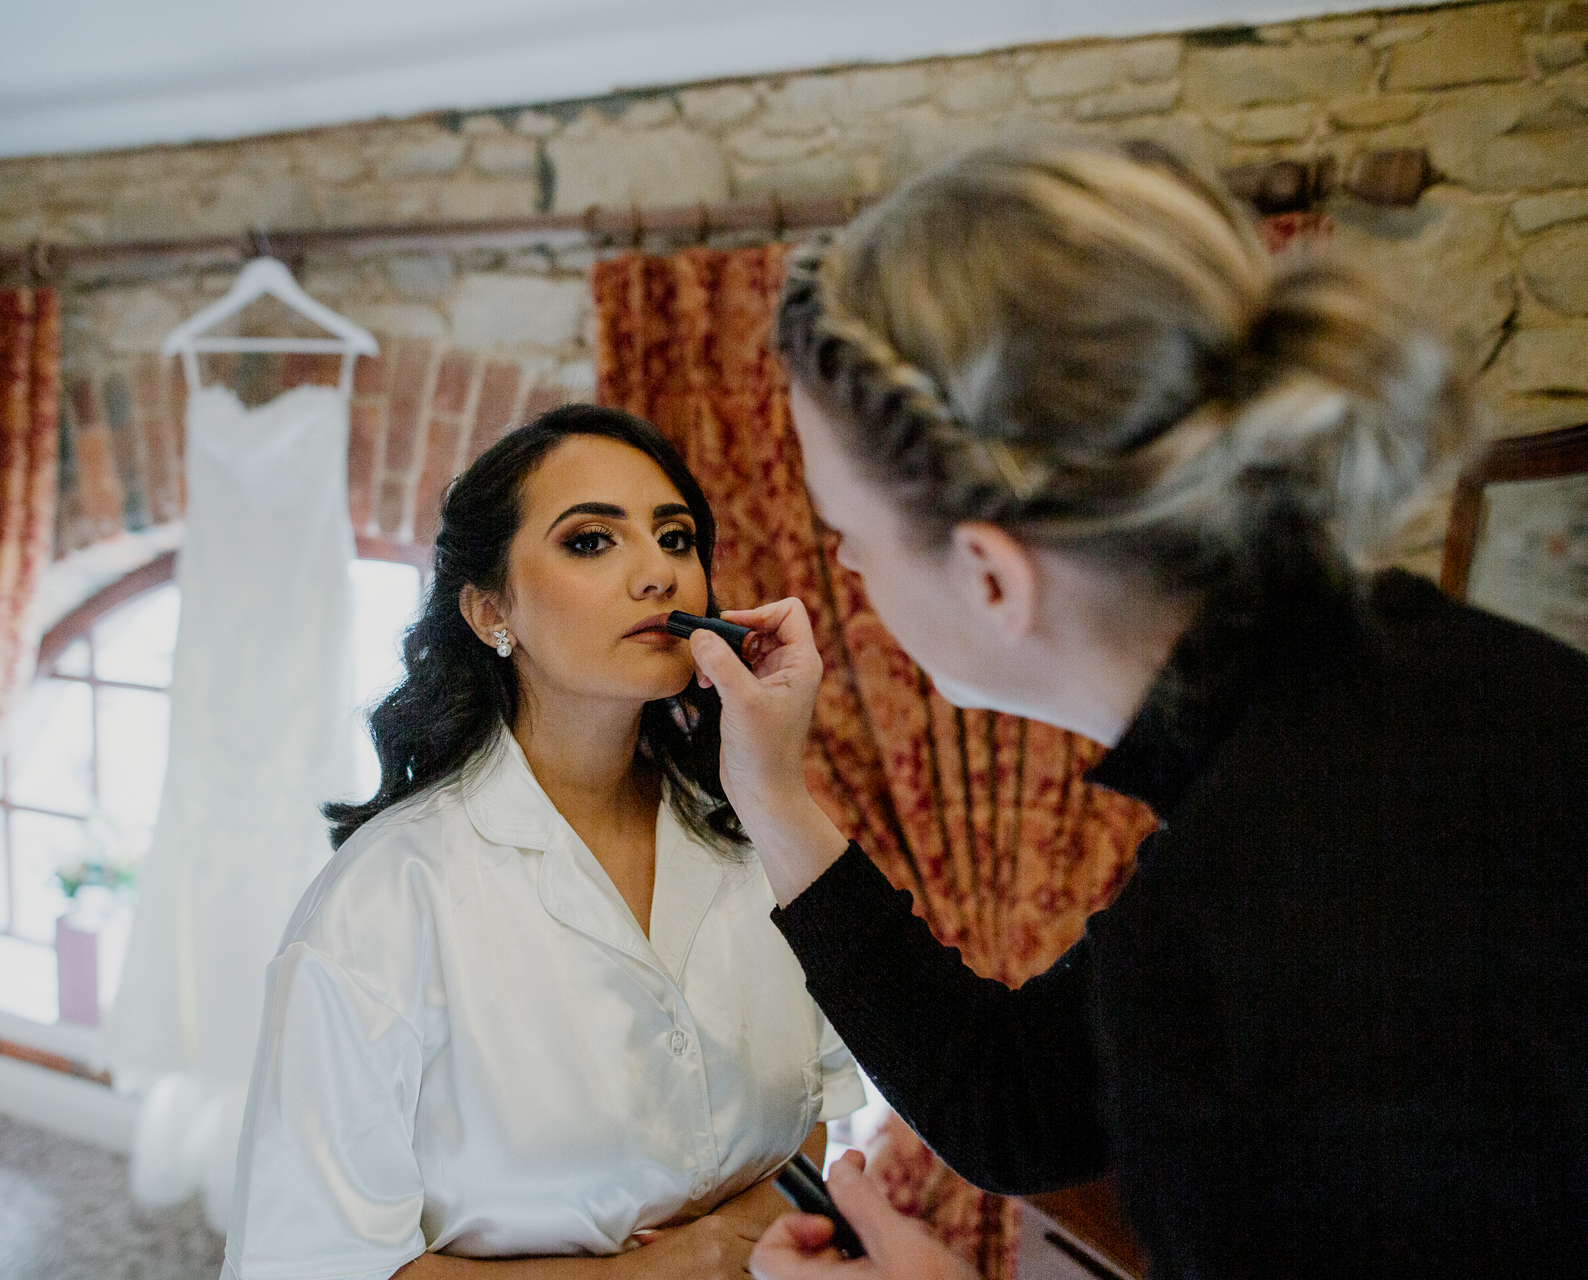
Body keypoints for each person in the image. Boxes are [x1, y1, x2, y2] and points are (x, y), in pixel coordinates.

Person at [678, 139, 1588, 1279]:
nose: (847, 567)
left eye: (848, 534)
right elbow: (1018, 1096)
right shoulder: (1401, 688)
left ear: (991, 576)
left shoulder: (1259, 918)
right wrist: (772, 790)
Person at [220, 404, 864, 1280]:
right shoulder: (387, 899)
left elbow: (818, 1109)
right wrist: (664, 1268)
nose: (658, 576)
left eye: (676, 539)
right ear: (492, 611)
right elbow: (312, 1265)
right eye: (593, 542)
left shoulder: (758, 841)